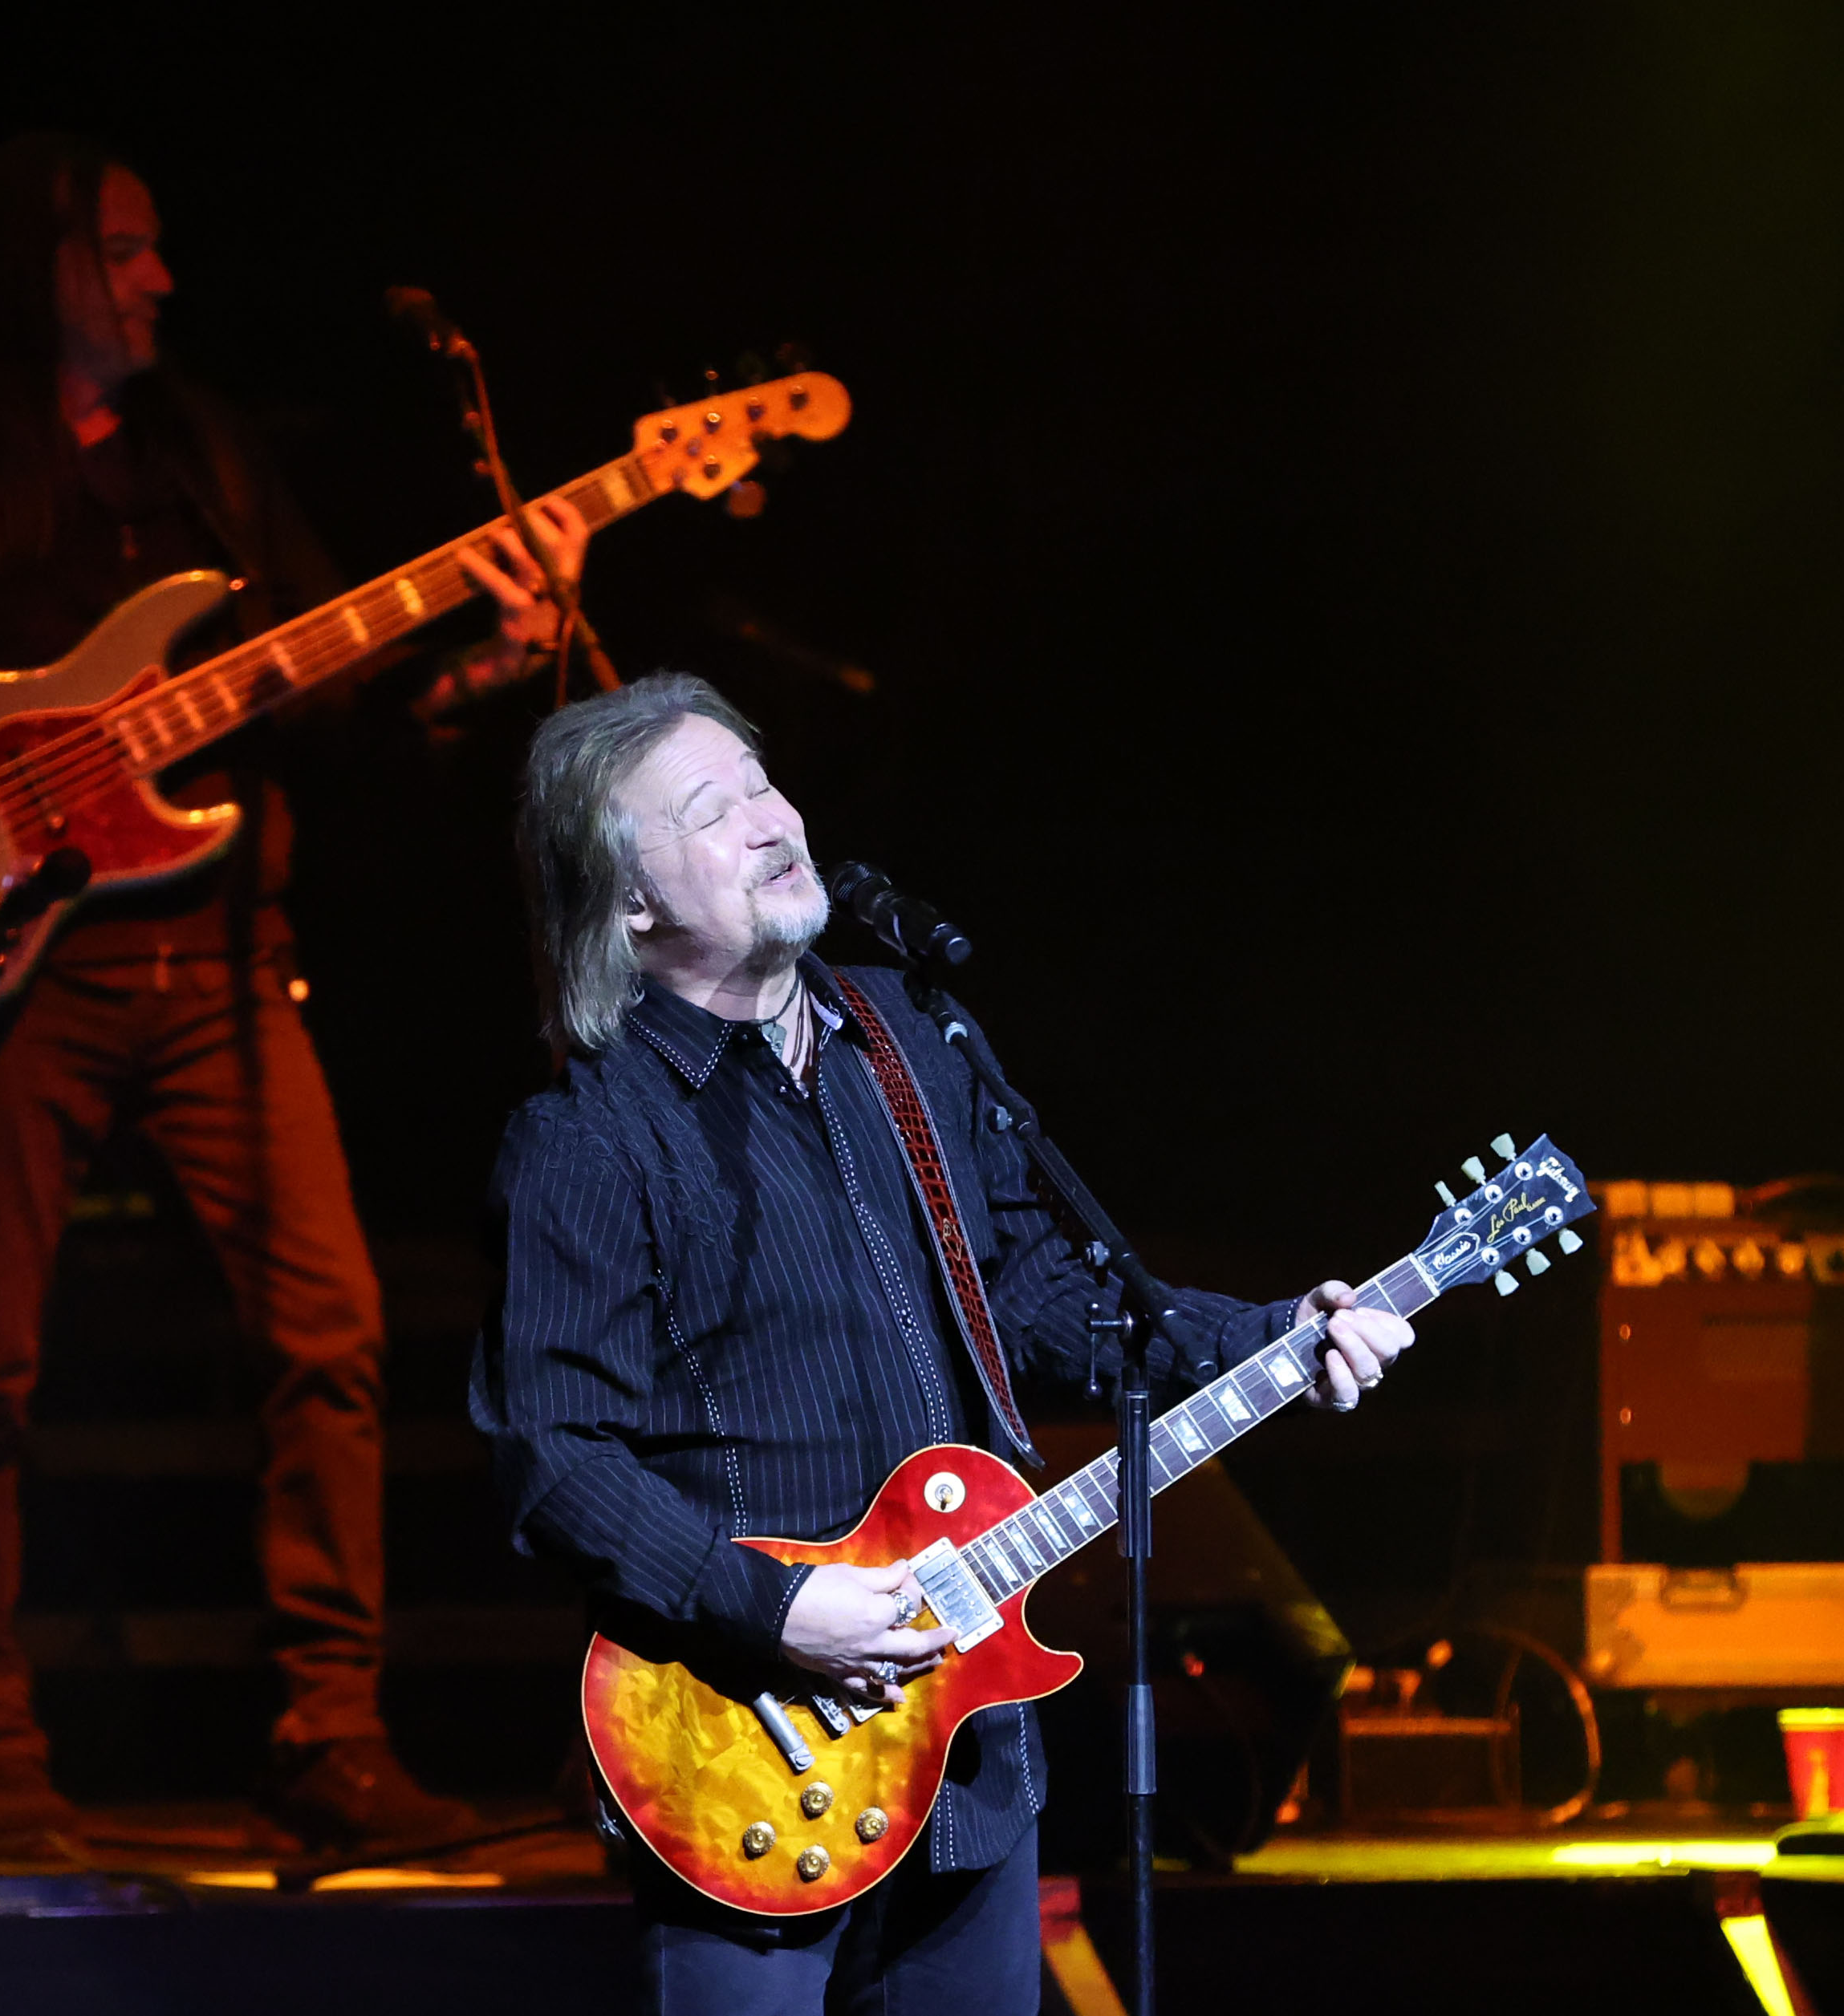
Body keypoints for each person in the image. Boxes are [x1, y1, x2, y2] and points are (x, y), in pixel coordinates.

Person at [0, 133, 587, 1852]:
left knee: (324, 1333)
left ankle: (330, 1730)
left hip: (224, 973)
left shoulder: (210, 463)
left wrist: (473, 658)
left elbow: (325, 700)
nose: (161, 277)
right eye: (123, 249)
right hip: (9, 968)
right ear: (32, 267)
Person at [473, 674, 1415, 2011]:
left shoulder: (907, 1041)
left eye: (758, 781)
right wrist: (781, 1606)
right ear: (629, 903)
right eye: (708, 807)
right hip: (741, 1757)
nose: (764, 818)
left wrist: (1277, 1336)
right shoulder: (588, 1136)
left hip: (970, 1758)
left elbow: (1038, 1283)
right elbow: (554, 1459)